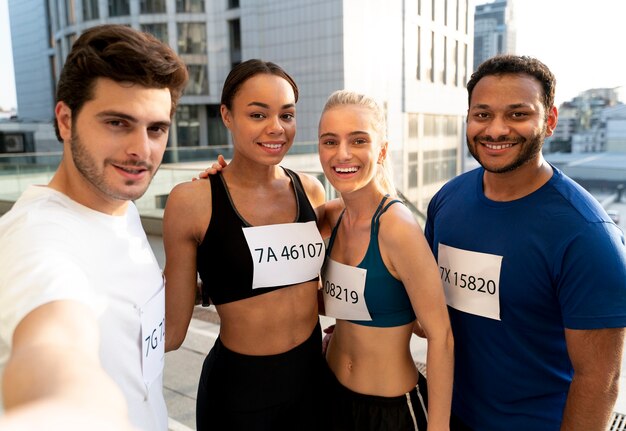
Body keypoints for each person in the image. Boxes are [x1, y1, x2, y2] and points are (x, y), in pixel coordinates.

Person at [0, 24, 188, 430]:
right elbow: (53, 342)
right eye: (118, 123)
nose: (142, 150)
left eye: (156, 128)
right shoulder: (36, 239)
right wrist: (66, 397)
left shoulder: (118, 204)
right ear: (65, 120)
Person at [425, 54, 626, 430]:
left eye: (518, 114)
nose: (496, 130)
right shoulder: (447, 201)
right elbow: (431, 311)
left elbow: (600, 380)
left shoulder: (587, 236)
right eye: (482, 115)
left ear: (549, 121)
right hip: (449, 413)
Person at [163, 59, 327, 430]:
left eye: (287, 115)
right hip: (238, 394)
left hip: (313, 382)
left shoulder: (312, 190)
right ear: (227, 115)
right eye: (258, 115)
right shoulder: (192, 201)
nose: (276, 128)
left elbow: (324, 286)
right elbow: (173, 331)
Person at [318, 90, 454, 430]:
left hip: (389, 411)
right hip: (330, 392)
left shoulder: (397, 228)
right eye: (330, 141)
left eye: (358, 140)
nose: (342, 153)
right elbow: (270, 223)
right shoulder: (332, 217)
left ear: (381, 150)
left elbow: (440, 336)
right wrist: (223, 177)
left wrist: (439, 428)